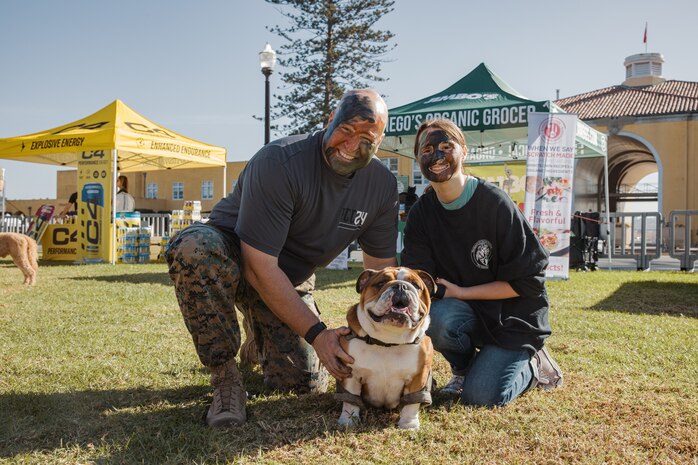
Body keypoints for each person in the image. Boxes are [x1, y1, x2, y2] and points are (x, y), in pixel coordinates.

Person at [166, 89, 398, 427]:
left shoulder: (381, 186)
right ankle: (225, 378)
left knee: (302, 384)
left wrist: (384, 349)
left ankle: (256, 337)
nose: (352, 144)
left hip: (288, 279)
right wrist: (318, 334)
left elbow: (381, 276)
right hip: (235, 258)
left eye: (367, 137)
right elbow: (259, 267)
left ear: (380, 143)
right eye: (346, 130)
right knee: (194, 247)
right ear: (328, 121)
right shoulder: (279, 161)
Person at [401, 118, 563, 407]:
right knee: (440, 319)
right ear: (418, 159)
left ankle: (534, 366)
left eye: (445, 146)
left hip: (514, 318)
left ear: (465, 152)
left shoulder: (495, 204)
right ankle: (463, 371)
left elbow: (528, 283)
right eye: (427, 149)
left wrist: (461, 292)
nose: (436, 156)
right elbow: (421, 282)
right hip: (466, 315)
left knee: (482, 398)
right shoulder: (421, 215)